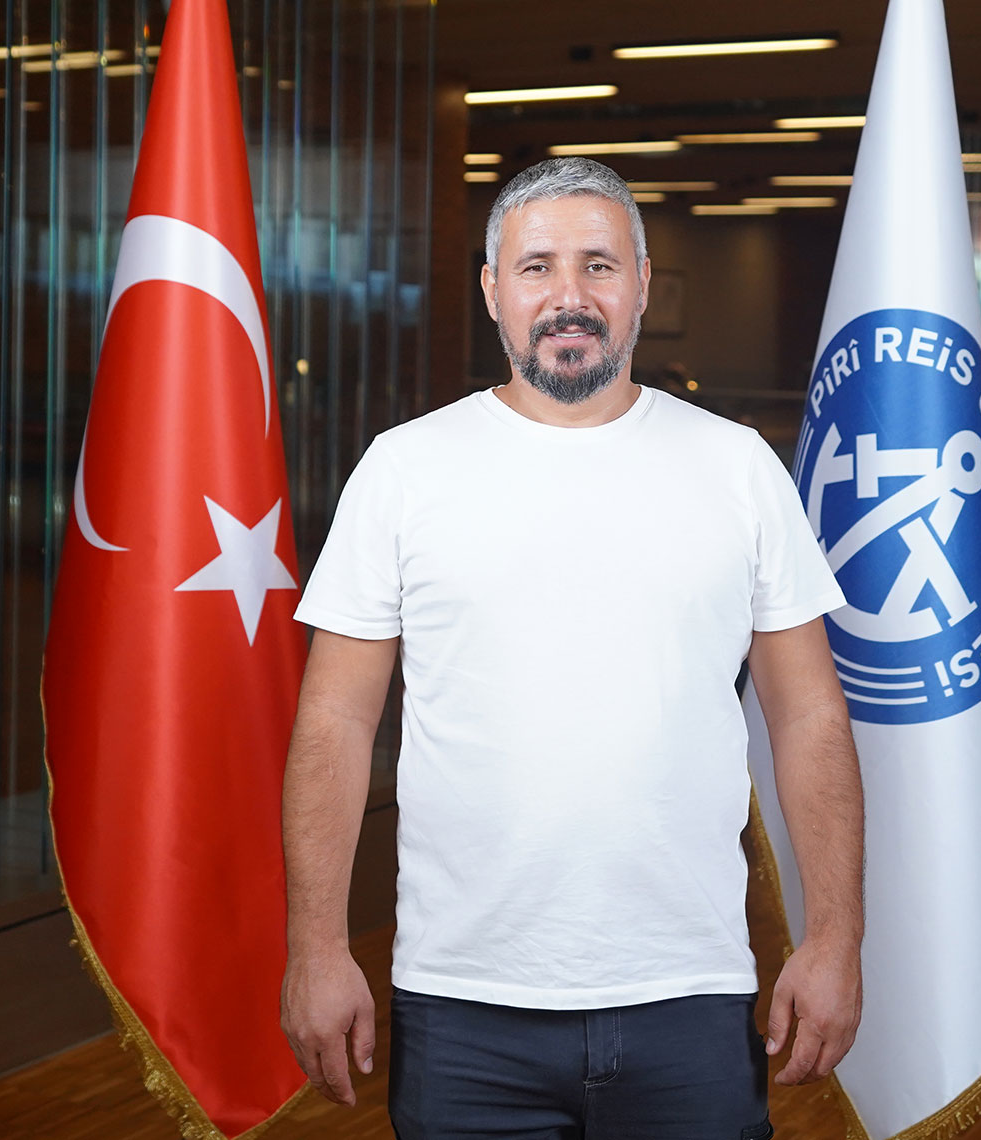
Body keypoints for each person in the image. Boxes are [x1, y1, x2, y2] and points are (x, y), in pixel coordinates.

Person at [281, 157, 863, 1140]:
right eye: (536, 266)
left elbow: (809, 715)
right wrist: (316, 947)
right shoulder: (404, 470)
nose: (569, 296)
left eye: (599, 265)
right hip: (462, 1003)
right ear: (492, 290)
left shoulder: (737, 468)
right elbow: (335, 720)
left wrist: (837, 939)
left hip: (690, 992)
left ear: (642, 282)